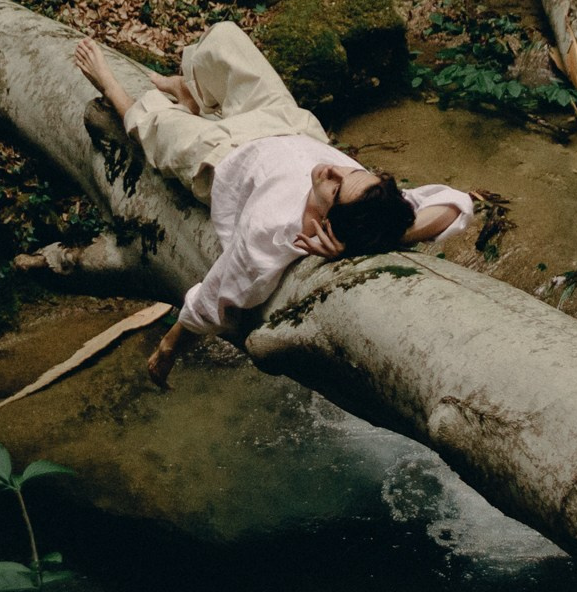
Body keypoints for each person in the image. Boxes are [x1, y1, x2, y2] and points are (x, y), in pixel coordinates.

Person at [73, 23, 474, 386]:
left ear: (332, 224)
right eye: (349, 171)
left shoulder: (275, 234)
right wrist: (395, 233)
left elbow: (218, 292)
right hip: (288, 124)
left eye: (333, 188)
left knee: (156, 127)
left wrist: (169, 348)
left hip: (220, 154)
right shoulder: (379, 205)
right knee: (225, 40)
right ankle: (192, 94)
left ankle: (117, 88)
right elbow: (455, 203)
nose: (332, 171)